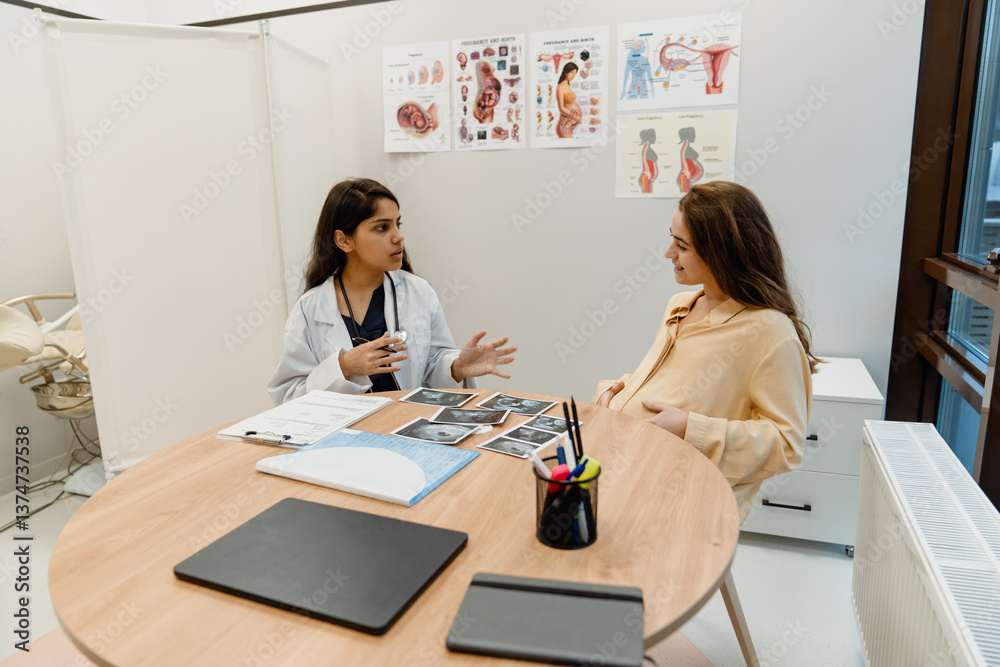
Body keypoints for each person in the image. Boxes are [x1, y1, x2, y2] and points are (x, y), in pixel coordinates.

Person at [593, 181, 819, 520]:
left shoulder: (770, 331)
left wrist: (690, 428)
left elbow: (786, 443)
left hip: (685, 506)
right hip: (633, 475)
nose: (668, 253)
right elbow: (673, 383)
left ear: (721, 252)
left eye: (682, 246)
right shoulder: (680, 305)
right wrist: (614, 394)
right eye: (672, 239)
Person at [268, 178, 516, 404]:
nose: (398, 237)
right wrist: (344, 367)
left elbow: (432, 368)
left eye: (397, 224)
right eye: (381, 227)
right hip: (343, 434)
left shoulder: (418, 292)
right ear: (344, 240)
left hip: (406, 427)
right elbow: (288, 397)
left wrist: (457, 367)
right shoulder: (309, 309)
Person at [556, 62, 582, 138]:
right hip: (564, 124)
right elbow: (561, 108)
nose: (573, 76)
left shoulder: (567, 85)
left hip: (570, 123)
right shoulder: (560, 87)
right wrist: (575, 117)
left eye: (575, 74)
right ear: (565, 72)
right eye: (571, 72)